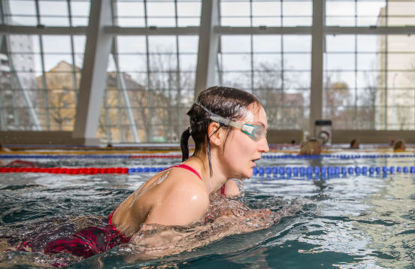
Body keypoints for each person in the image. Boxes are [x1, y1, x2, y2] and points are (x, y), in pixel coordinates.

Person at [19, 86, 273, 260]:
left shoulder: (227, 185)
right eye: (257, 132)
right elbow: (140, 259)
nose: (266, 146)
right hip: (66, 252)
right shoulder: (187, 192)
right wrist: (224, 232)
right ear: (216, 133)